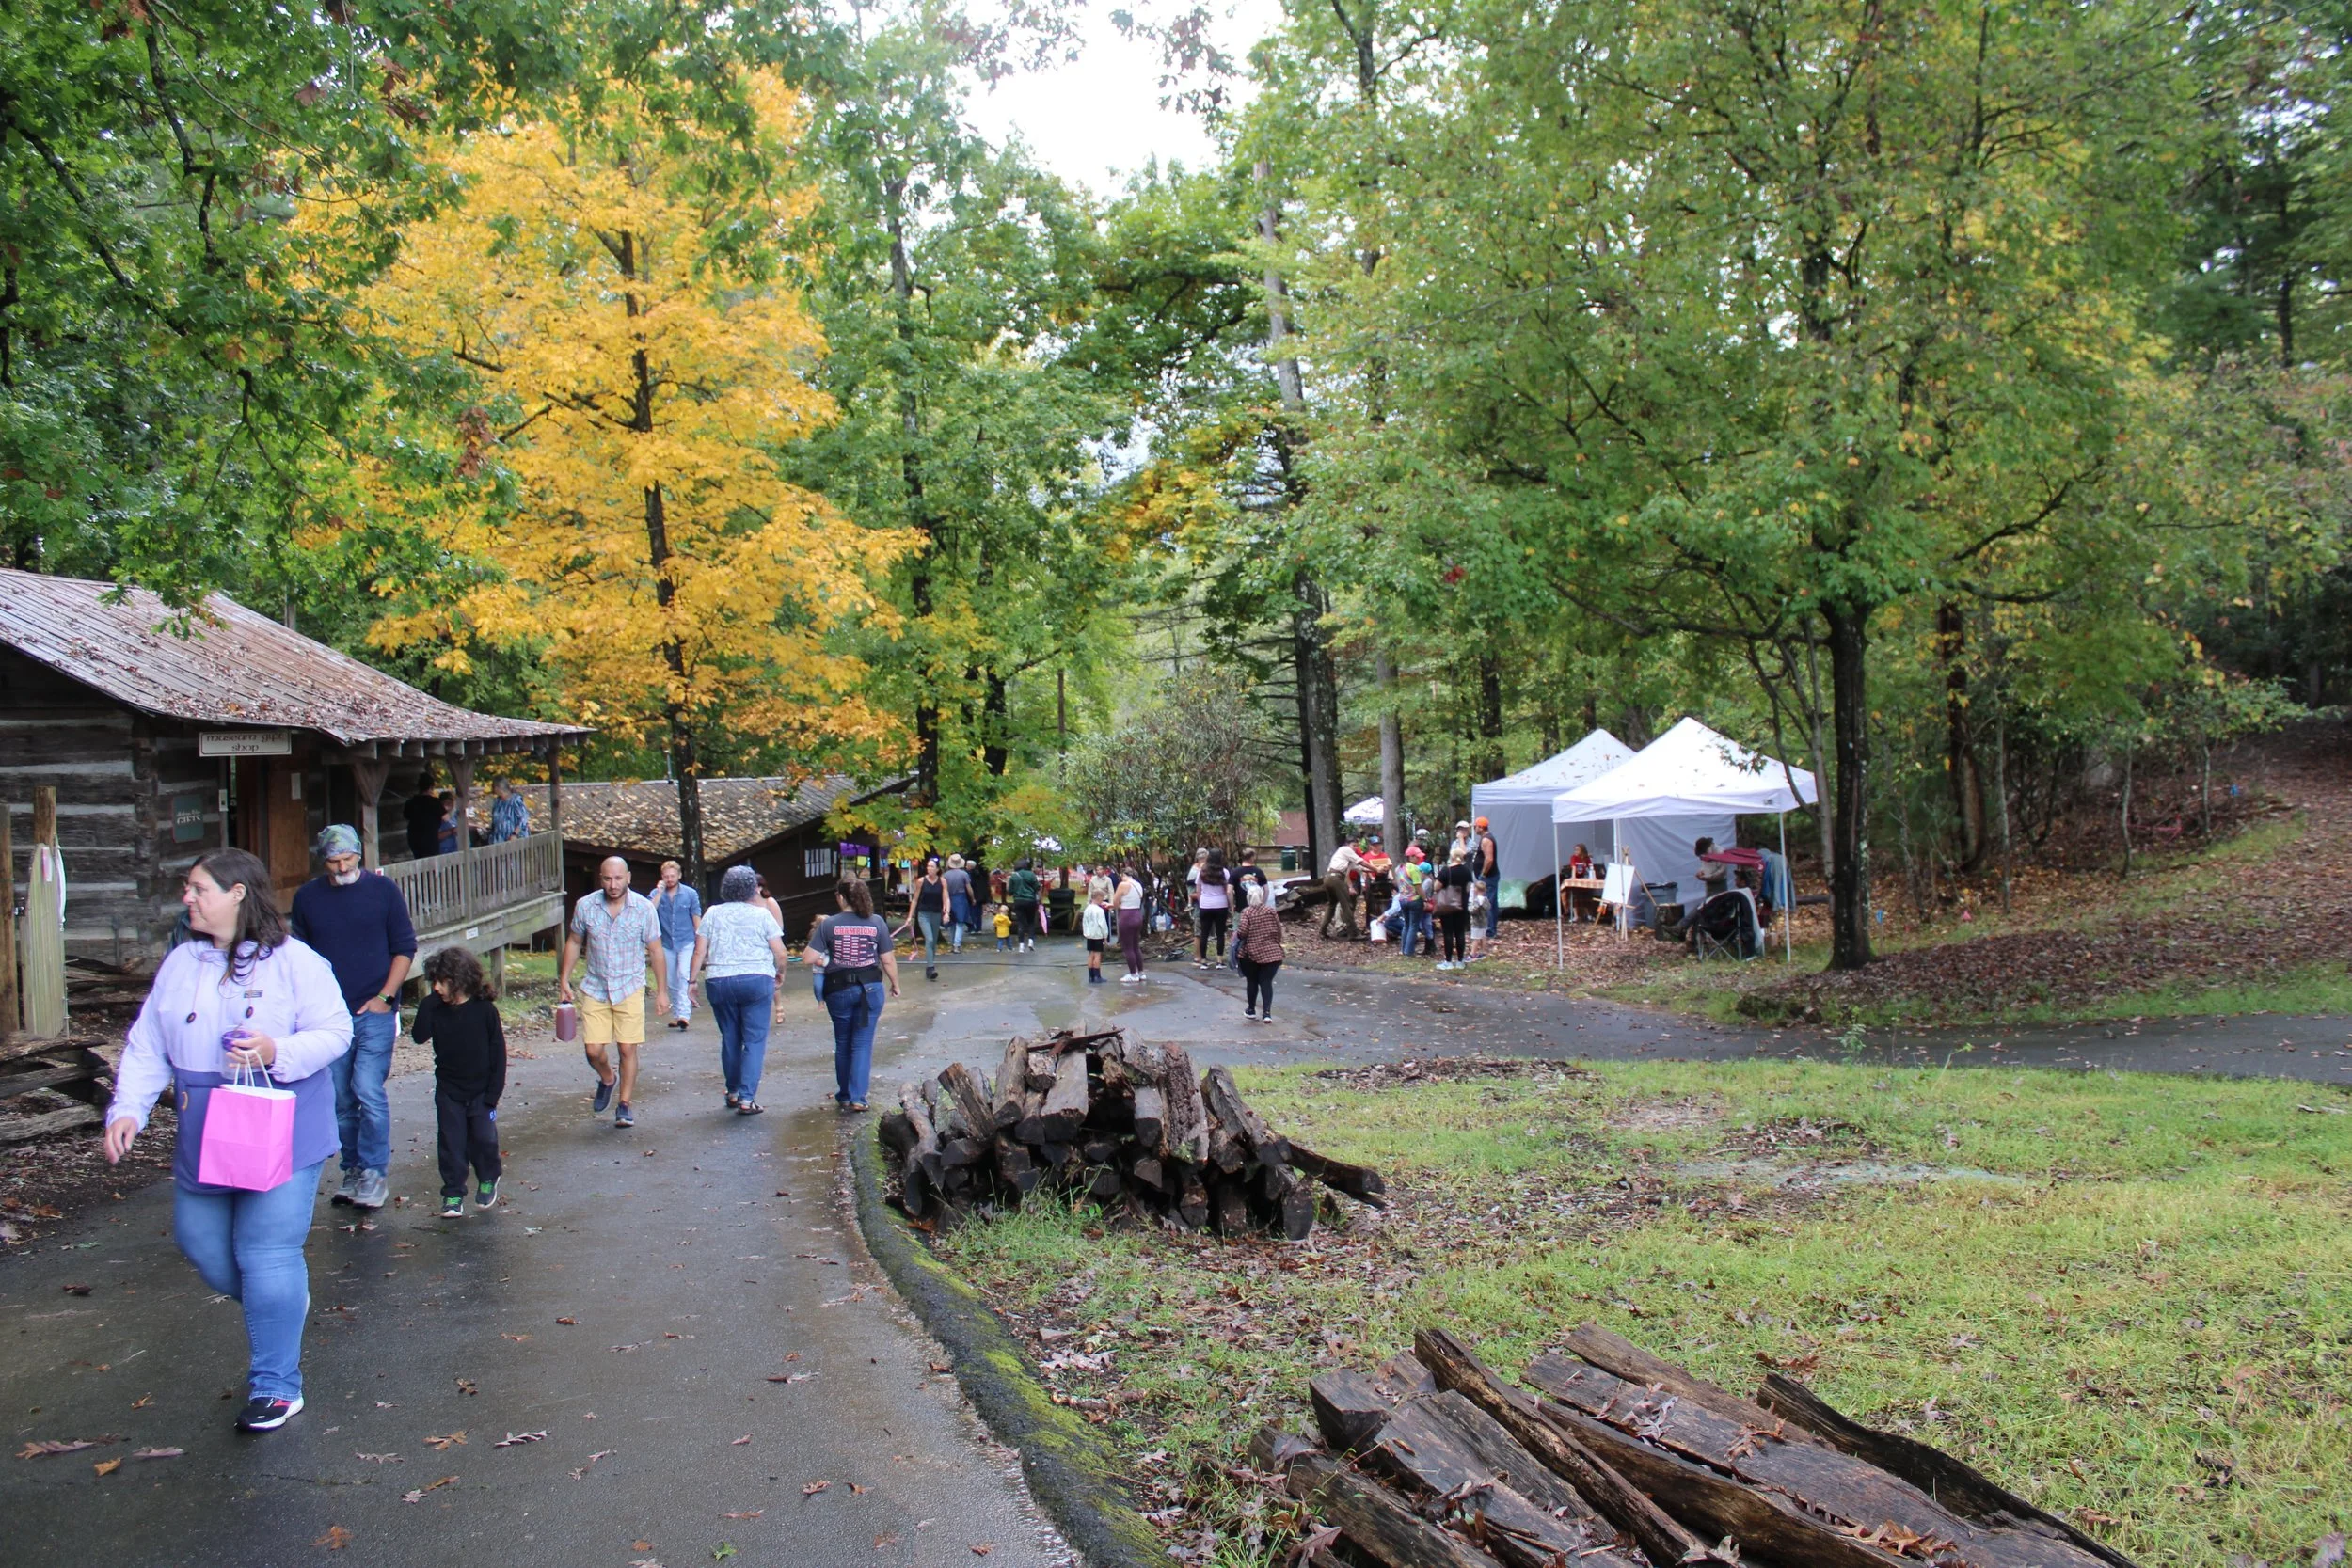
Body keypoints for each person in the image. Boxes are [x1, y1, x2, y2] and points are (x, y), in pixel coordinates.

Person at [103, 848, 353, 1433]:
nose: (187, 898)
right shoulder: (180, 964)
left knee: (266, 1254)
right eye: (187, 889)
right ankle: (282, 1308)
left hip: (279, 1121)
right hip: (204, 1124)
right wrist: (129, 1109)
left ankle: (276, 1385)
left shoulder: (295, 962)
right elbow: (147, 1044)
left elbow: (336, 1030)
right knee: (202, 1245)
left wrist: (277, 1052)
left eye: (198, 889)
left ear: (239, 893)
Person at [288, 825, 417, 1214]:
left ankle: (375, 1172)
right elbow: (301, 957)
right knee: (341, 1098)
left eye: (348, 858)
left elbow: (404, 947)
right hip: (329, 1016)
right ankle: (353, 1170)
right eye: (333, 860)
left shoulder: (382, 891)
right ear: (322, 860)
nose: (342, 866)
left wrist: (384, 997)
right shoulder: (308, 898)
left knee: (367, 1089)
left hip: (374, 1009)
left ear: (359, 855)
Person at [558, 855, 666, 1129]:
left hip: (630, 985)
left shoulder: (643, 909)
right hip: (596, 985)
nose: (613, 884)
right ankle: (608, 1078)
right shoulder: (587, 906)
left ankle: (625, 1104)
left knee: (627, 1048)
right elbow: (574, 940)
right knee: (593, 1050)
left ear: (628, 878)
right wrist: (564, 979)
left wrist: (663, 991)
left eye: (618, 878)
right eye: (607, 878)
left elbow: (655, 950)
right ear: (600, 879)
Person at [412, 945, 505, 1219]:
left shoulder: (484, 1011)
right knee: (451, 1142)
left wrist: (493, 1094)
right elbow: (419, 1036)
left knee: (483, 1140)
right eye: (434, 982)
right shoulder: (434, 1007)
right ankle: (453, 1192)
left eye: (442, 982)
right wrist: (428, 1005)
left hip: (481, 1090)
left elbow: (498, 1054)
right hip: (449, 1090)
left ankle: (488, 1177)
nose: (437, 987)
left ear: (460, 980)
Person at [693, 865, 789, 1115]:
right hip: (756, 979)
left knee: (730, 1037)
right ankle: (747, 1098)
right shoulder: (761, 914)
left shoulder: (713, 913)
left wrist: (691, 981)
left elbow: (700, 950)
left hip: (720, 979)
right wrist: (780, 973)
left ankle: (733, 1091)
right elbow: (780, 952)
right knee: (755, 1040)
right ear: (751, 888)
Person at [807, 875, 901, 1111]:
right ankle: (859, 1097)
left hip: (838, 989)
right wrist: (895, 984)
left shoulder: (829, 924)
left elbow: (808, 957)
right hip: (869, 989)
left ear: (840, 897)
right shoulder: (877, 922)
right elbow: (887, 960)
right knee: (862, 1043)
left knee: (843, 1043)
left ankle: (846, 1094)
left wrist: (829, 957)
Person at [649, 860, 702, 1030]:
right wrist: (659, 892)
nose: (669, 879)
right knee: (671, 979)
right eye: (666, 876)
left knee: (683, 974)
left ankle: (684, 1015)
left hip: (686, 940)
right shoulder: (656, 893)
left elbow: (696, 917)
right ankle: (678, 1014)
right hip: (666, 942)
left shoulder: (690, 894)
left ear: (679, 876)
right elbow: (648, 912)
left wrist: (700, 940)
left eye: (672, 876)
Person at [1233, 880, 1285, 1022]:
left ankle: (1251, 1009)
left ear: (1248, 898)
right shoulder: (1271, 911)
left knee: (1252, 981)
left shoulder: (1247, 912)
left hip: (1251, 954)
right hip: (1272, 953)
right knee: (1266, 982)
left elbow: (1243, 932)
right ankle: (1267, 1013)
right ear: (1262, 896)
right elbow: (1278, 929)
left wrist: (1237, 937)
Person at [894, 856, 947, 981]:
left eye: (932, 867)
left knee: (933, 942)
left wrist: (947, 912)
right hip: (923, 914)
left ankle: (930, 966)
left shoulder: (942, 881)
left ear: (937, 869)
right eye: (928, 866)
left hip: (936, 914)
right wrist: (909, 916)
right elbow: (915, 899)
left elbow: (946, 898)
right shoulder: (921, 881)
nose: (929, 868)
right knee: (929, 939)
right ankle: (930, 967)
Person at [1431, 845, 1475, 970]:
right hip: (1462, 905)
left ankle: (1448, 961)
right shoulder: (1467, 871)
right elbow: (1468, 887)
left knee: (1448, 933)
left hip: (1447, 906)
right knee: (1460, 933)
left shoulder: (1446, 871)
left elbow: (1436, 887)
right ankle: (1460, 960)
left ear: (1451, 857)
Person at [1194, 848, 1233, 968]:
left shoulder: (1202, 872)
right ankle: (1219, 961)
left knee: (1204, 933)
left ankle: (1204, 961)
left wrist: (1202, 902)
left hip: (1205, 905)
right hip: (1221, 905)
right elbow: (1228, 891)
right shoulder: (1224, 872)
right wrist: (1231, 905)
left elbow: (1198, 890)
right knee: (1220, 933)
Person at [1320, 837, 1365, 940]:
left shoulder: (1345, 857)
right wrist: (1375, 868)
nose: (1355, 848)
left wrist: (1376, 870)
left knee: (1332, 905)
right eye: (1354, 845)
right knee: (1347, 905)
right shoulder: (1345, 850)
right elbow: (1361, 862)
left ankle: (1322, 931)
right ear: (1348, 844)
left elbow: (1360, 868)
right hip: (1336, 878)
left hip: (1328, 878)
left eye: (1357, 845)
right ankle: (1353, 933)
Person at [1114, 863, 1147, 982]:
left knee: (1127, 947)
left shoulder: (1123, 885)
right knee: (1136, 946)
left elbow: (1115, 901)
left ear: (1124, 875)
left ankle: (1133, 974)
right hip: (1137, 915)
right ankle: (1141, 972)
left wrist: (1114, 905)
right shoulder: (1138, 885)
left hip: (1126, 916)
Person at [1474, 816, 1502, 940]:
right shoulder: (1485, 838)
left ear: (1481, 827)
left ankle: (1490, 930)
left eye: (1476, 826)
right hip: (1489, 876)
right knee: (1491, 902)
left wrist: (1483, 874)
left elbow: (1489, 859)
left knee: (1488, 903)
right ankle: (1491, 929)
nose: (1475, 829)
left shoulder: (1486, 840)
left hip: (1489, 877)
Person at [1082, 874, 1112, 984]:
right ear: (1099, 898)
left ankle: (1091, 976)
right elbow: (1103, 925)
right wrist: (1106, 936)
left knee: (1091, 954)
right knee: (1098, 955)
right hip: (1098, 934)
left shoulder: (1087, 909)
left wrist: (1085, 932)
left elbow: (1084, 922)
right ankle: (1097, 976)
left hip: (1089, 934)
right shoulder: (1099, 911)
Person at [943, 854, 977, 953]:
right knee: (960, 923)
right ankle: (957, 945)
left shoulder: (945, 875)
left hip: (949, 898)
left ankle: (953, 943)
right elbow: (969, 888)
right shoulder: (964, 874)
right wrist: (973, 898)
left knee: (951, 923)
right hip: (961, 899)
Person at [1007, 858, 1041, 954]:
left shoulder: (1014, 876)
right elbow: (1037, 887)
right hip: (1030, 901)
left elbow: (1010, 892)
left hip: (1018, 901)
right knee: (1031, 922)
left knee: (1021, 923)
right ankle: (1031, 942)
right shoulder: (1031, 874)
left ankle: (1021, 946)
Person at [403, 784, 444, 862]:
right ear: (430, 788)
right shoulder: (434, 802)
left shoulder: (411, 802)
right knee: (432, 862)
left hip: (414, 837)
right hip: (430, 838)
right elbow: (446, 818)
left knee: (419, 859)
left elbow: (406, 816)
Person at [488, 777, 531, 843]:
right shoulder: (497, 801)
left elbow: (523, 818)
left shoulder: (516, 800)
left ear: (498, 788)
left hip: (515, 840)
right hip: (499, 840)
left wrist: (515, 834)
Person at [435, 792, 460, 856]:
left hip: (455, 850)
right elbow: (436, 836)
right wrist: (451, 831)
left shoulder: (454, 815)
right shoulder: (437, 818)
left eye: (451, 803)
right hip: (443, 851)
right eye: (446, 803)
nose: (449, 806)